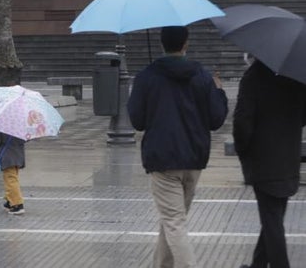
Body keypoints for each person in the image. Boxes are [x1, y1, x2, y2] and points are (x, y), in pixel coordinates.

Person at [127, 25, 228, 268]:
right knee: (173, 219)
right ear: (186, 44)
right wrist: (220, 91)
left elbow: (137, 122)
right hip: (194, 159)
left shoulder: (147, 77)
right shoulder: (203, 76)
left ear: (162, 44)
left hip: (163, 160)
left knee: (173, 221)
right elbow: (216, 120)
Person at [232, 55, 306, 268]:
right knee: (273, 218)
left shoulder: (253, 77)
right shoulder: (296, 77)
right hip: (289, 159)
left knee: (272, 222)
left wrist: (243, 150)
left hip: (263, 161)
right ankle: (257, 264)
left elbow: (242, 122)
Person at [0, 131, 26, 215]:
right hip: (18, 156)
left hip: (8, 156)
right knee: (13, 178)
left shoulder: (1, 128)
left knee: (10, 180)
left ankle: (17, 205)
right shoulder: (21, 127)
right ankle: (9, 200)